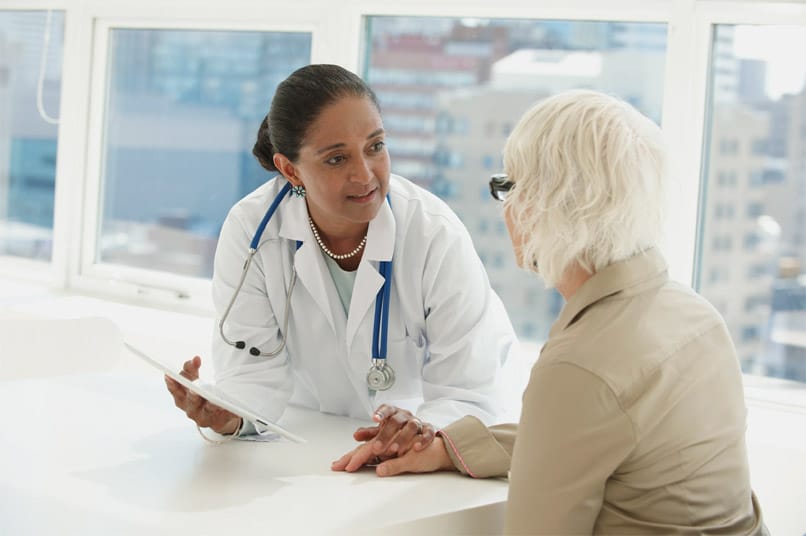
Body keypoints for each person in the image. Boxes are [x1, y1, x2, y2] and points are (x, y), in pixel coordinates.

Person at [333, 90, 766, 534]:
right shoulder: (694, 316)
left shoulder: (581, 365)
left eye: (509, 185)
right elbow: (589, 437)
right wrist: (447, 448)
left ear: (549, 204)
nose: (507, 208)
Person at [165, 64, 516, 448]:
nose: (365, 175)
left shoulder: (432, 233)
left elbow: (468, 394)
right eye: (337, 159)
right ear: (289, 169)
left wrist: (419, 431)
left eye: (375, 147)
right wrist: (228, 412)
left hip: (417, 463)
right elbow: (251, 374)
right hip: (305, 444)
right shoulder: (252, 231)